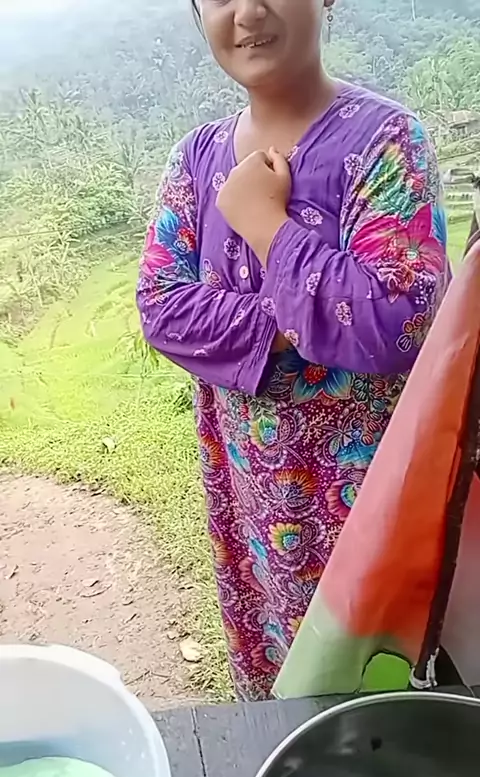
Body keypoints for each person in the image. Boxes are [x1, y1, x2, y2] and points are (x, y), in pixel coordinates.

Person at [137, 0, 449, 700]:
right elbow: (161, 306)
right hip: (251, 496)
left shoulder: (386, 142)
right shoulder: (197, 159)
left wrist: (263, 224)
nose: (248, 12)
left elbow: (397, 319)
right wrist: (307, 314)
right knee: (279, 679)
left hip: (371, 498)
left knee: (377, 684)